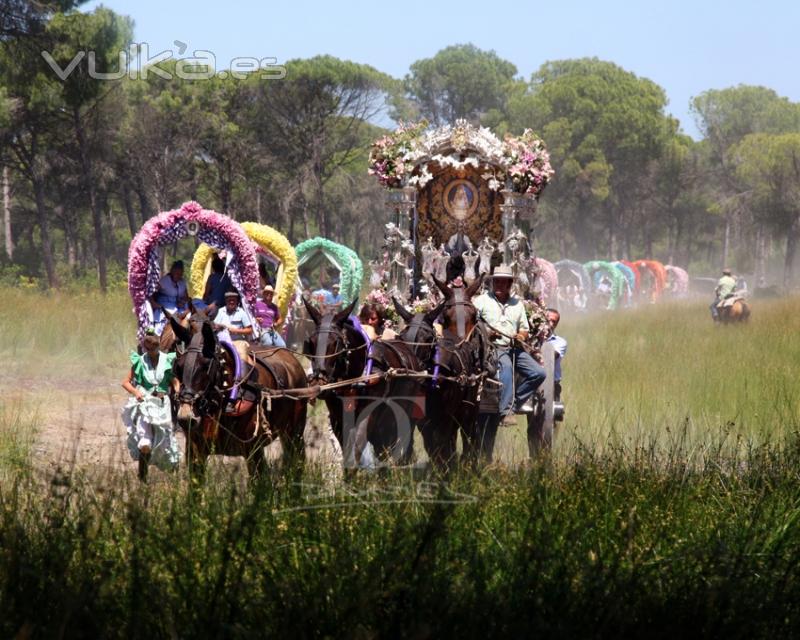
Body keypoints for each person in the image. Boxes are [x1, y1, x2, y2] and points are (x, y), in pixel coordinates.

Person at [473, 264, 546, 418]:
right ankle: (505, 412)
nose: (499, 285)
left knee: (539, 373)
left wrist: (520, 336)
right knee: (506, 366)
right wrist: (487, 333)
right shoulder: (480, 301)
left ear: (509, 284)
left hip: (514, 348)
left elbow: (524, 329)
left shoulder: (517, 304)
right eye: (497, 281)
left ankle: (514, 402)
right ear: (492, 283)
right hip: (492, 349)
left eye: (503, 282)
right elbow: (472, 325)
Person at [121, 331, 180, 472]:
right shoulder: (140, 361)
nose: (152, 352)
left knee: (164, 438)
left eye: (154, 349)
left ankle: (171, 471)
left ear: (158, 346)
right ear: (145, 348)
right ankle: (143, 474)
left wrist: (177, 391)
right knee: (145, 440)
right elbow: (125, 382)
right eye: (148, 350)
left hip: (162, 403)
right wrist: (136, 392)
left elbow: (175, 381)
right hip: (146, 403)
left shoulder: (167, 360)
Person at [149, 260, 189, 334]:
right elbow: (151, 292)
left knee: (188, 316)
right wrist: (154, 303)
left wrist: (182, 302)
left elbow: (186, 297)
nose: (179, 276)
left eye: (180, 274)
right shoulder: (164, 281)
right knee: (169, 317)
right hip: (165, 303)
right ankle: (156, 335)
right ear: (172, 271)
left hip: (178, 306)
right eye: (177, 274)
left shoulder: (182, 282)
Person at [213, 291, 253, 362]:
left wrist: (236, 331)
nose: (231, 302)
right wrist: (219, 327)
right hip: (222, 342)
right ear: (226, 301)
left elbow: (250, 330)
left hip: (238, 342)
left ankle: (242, 373)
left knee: (242, 359)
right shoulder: (221, 311)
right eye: (229, 300)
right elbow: (214, 326)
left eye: (233, 300)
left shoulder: (241, 312)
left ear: (237, 301)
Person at [545, 308, 567, 401]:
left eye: (554, 321)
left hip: (552, 384)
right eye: (548, 320)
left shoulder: (560, 342)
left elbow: (552, 355)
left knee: (553, 413)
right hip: (532, 382)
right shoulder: (530, 338)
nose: (551, 323)